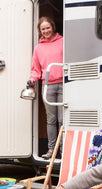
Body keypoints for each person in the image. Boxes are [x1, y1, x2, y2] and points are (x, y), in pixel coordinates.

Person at [29, 16, 63, 160]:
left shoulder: (62, 42)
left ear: (53, 27)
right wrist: (32, 79)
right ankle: (51, 151)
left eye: (48, 27)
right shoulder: (38, 48)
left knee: (62, 119)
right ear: (40, 31)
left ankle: (63, 150)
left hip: (63, 84)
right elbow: (35, 69)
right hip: (47, 85)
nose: (46, 31)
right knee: (51, 120)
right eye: (43, 29)